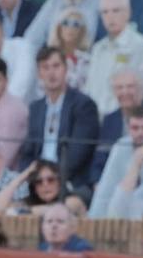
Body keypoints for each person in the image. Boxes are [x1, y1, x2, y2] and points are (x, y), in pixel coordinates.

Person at [18, 46, 98, 190]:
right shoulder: (36, 107)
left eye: (56, 66)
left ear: (66, 69)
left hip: (69, 180)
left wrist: (49, 178)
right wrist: (30, 177)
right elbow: (27, 153)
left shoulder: (83, 105)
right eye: (45, 67)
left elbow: (77, 155)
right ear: (39, 73)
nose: (51, 73)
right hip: (38, 180)